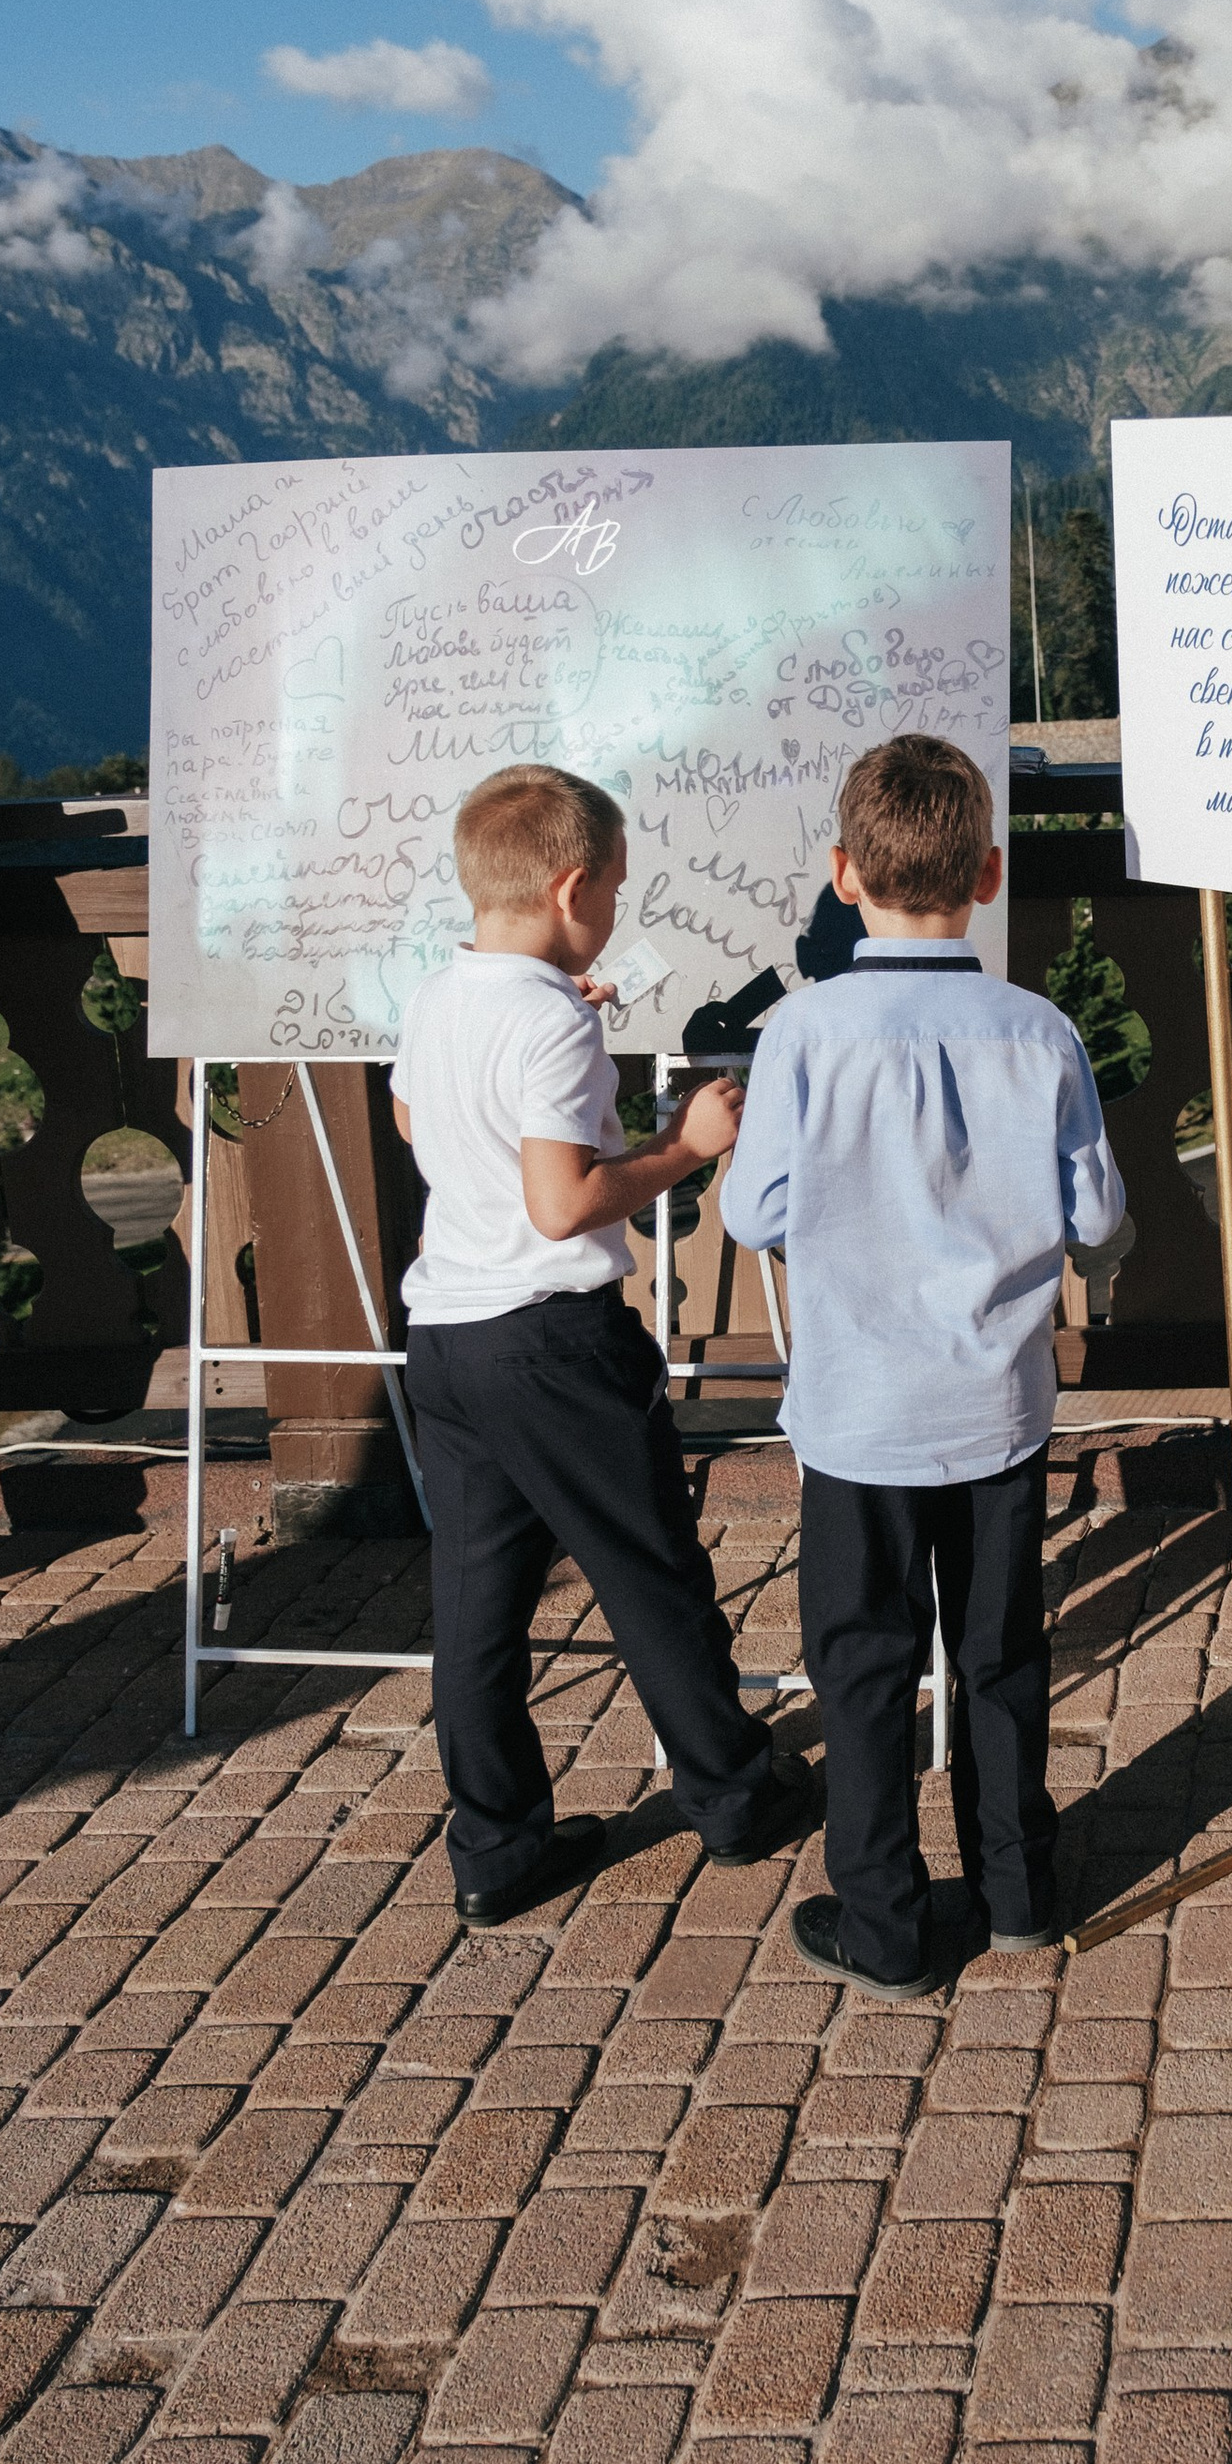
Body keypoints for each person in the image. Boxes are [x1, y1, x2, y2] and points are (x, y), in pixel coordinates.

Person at [722, 732, 1125, 1996]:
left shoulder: (806, 1029)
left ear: (845, 874)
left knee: (863, 1666)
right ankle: (1018, 1891)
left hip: (858, 1414)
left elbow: (754, 1211)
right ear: (989, 874)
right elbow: (1097, 1214)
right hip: (996, 1402)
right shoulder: (1038, 1030)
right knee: (1000, 1654)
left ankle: (887, 1924)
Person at [391, 764, 819, 1927]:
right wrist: (687, 1146)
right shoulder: (547, 1022)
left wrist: (551, 1053)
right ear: (572, 885)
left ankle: (494, 1848)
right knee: (649, 1574)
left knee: (478, 1605)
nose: (619, 909)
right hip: (554, 1340)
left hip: (447, 1337)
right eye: (616, 888)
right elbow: (562, 1204)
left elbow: (415, 1118)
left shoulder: (443, 996)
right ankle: (734, 1798)